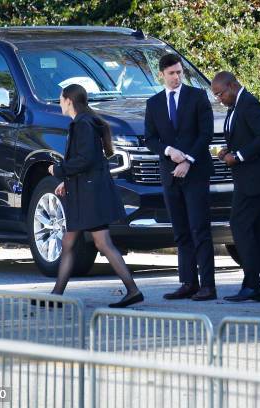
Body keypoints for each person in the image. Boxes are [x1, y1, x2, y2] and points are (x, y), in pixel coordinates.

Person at [47, 84, 143, 308]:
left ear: (69, 99)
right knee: (72, 242)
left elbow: (85, 160)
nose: (59, 103)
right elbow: (90, 161)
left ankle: (132, 289)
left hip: (88, 195)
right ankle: (56, 295)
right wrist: (66, 180)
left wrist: (58, 170)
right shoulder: (85, 122)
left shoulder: (82, 124)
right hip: (86, 191)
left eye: (61, 99)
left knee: (100, 243)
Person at [211, 72, 260, 302]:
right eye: (216, 95)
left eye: (220, 93)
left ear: (233, 85)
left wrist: (239, 156)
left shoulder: (249, 103)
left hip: (254, 179)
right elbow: (241, 137)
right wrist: (228, 150)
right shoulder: (234, 106)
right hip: (245, 178)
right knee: (257, 231)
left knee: (239, 225)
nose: (219, 99)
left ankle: (252, 284)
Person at [144, 53, 217, 301]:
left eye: (179, 72)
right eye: (172, 73)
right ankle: (188, 282)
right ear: (161, 75)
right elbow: (150, 138)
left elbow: (206, 133)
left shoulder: (197, 96)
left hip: (195, 173)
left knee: (200, 229)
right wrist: (168, 151)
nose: (176, 77)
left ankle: (208, 285)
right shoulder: (153, 103)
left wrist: (188, 160)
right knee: (181, 231)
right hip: (170, 174)